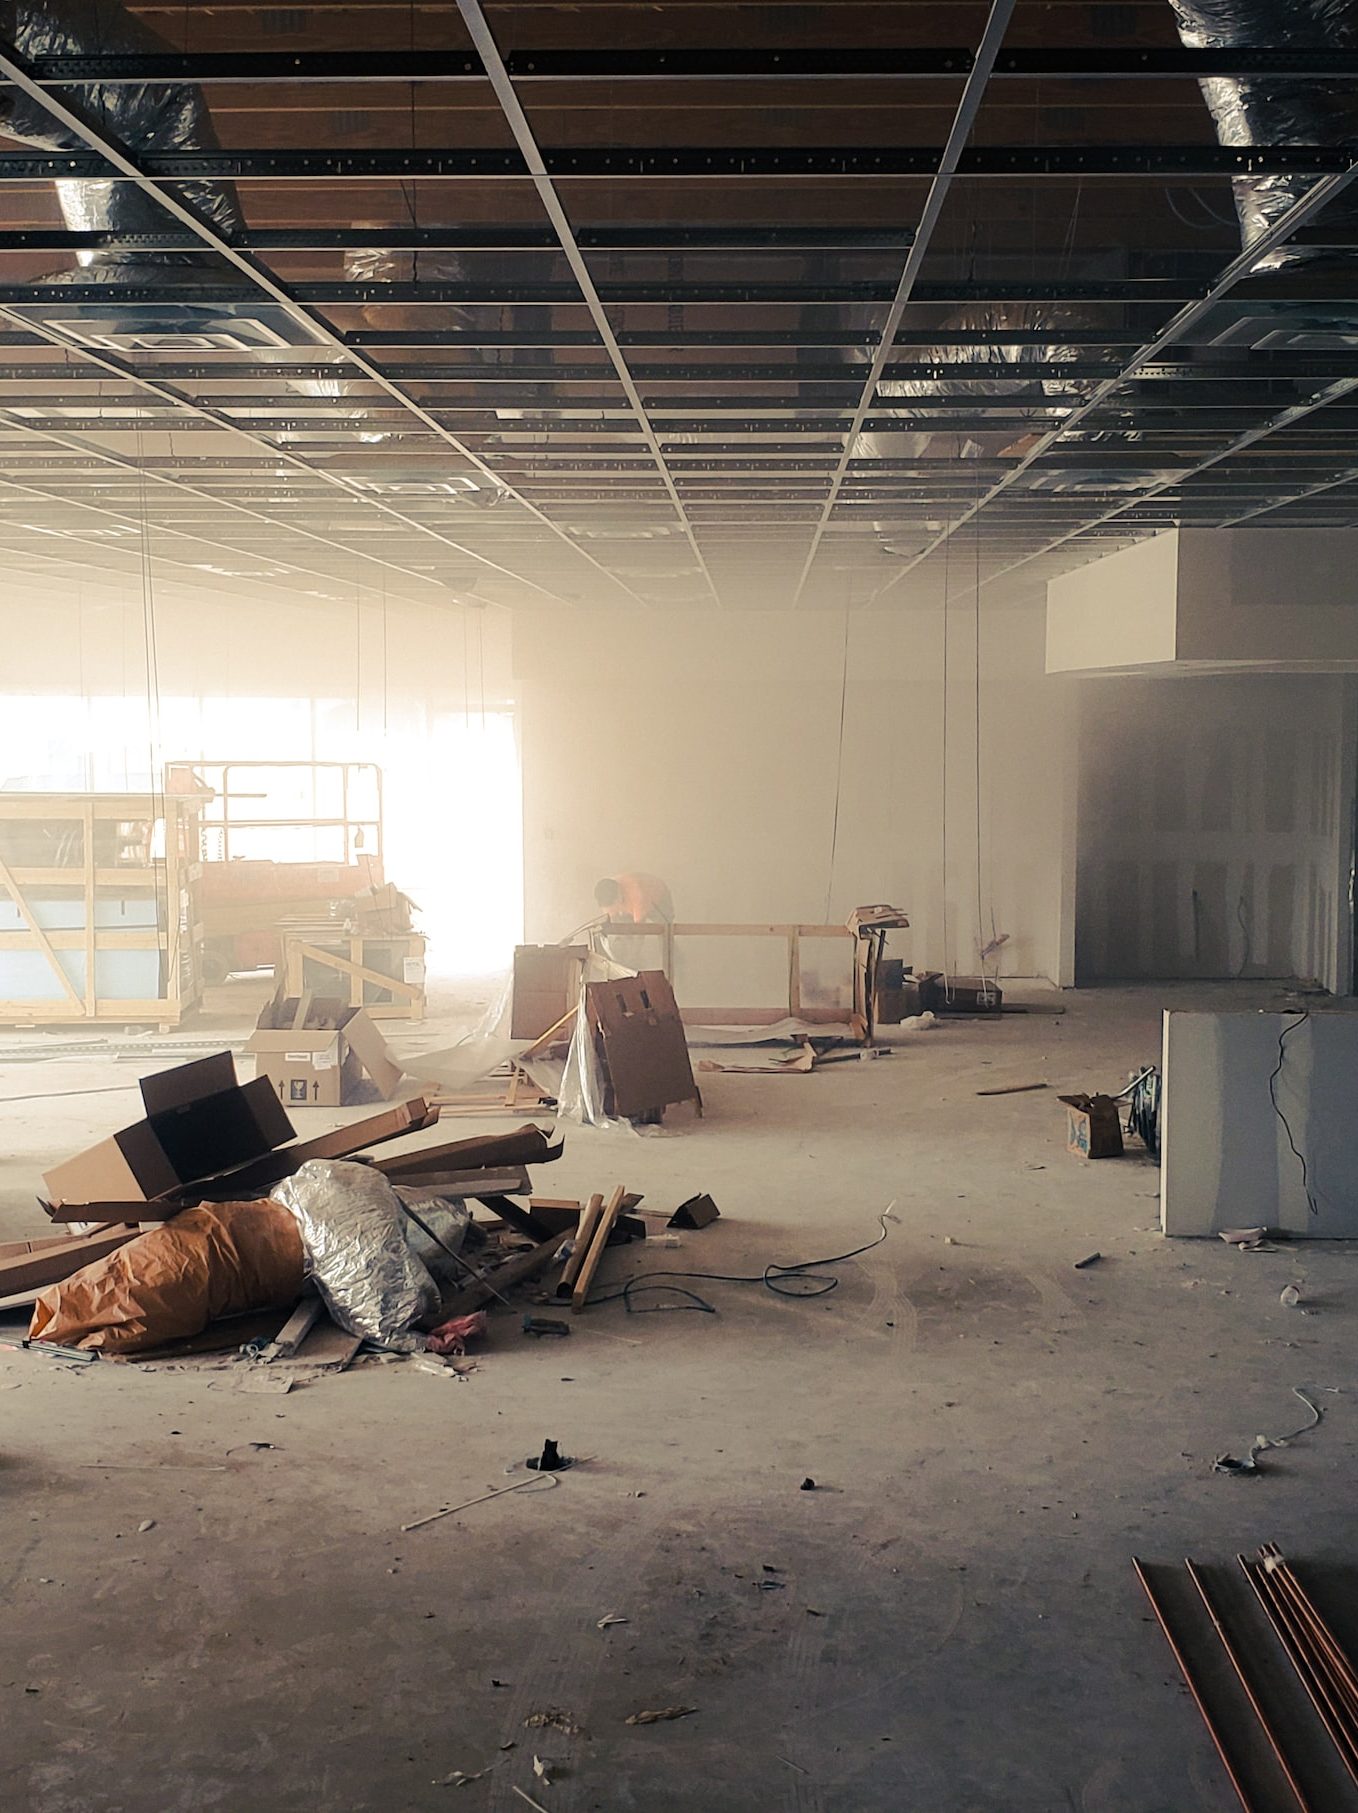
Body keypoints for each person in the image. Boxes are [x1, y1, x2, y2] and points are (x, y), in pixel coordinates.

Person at [594, 871, 674, 925]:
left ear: (619, 890)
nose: (615, 907)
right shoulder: (605, 896)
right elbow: (612, 922)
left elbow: (638, 929)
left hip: (659, 898)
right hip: (632, 905)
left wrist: (636, 949)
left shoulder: (636, 893)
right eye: (612, 905)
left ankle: (673, 949)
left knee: (665, 931)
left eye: (616, 902)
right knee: (625, 932)